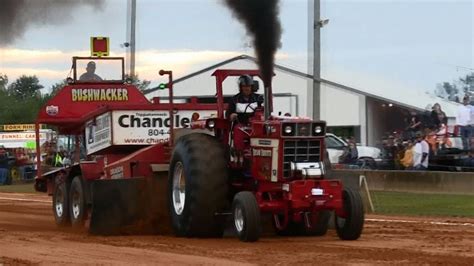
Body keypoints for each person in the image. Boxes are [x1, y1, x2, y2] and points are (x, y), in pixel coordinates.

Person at [226, 75, 263, 152]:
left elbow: (264, 110)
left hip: (256, 125)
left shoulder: (259, 98)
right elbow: (228, 113)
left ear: (252, 87)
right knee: (238, 130)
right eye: (244, 86)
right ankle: (239, 153)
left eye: (248, 86)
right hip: (241, 124)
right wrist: (231, 115)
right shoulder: (234, 99)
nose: (247, 88)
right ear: (241, 87)